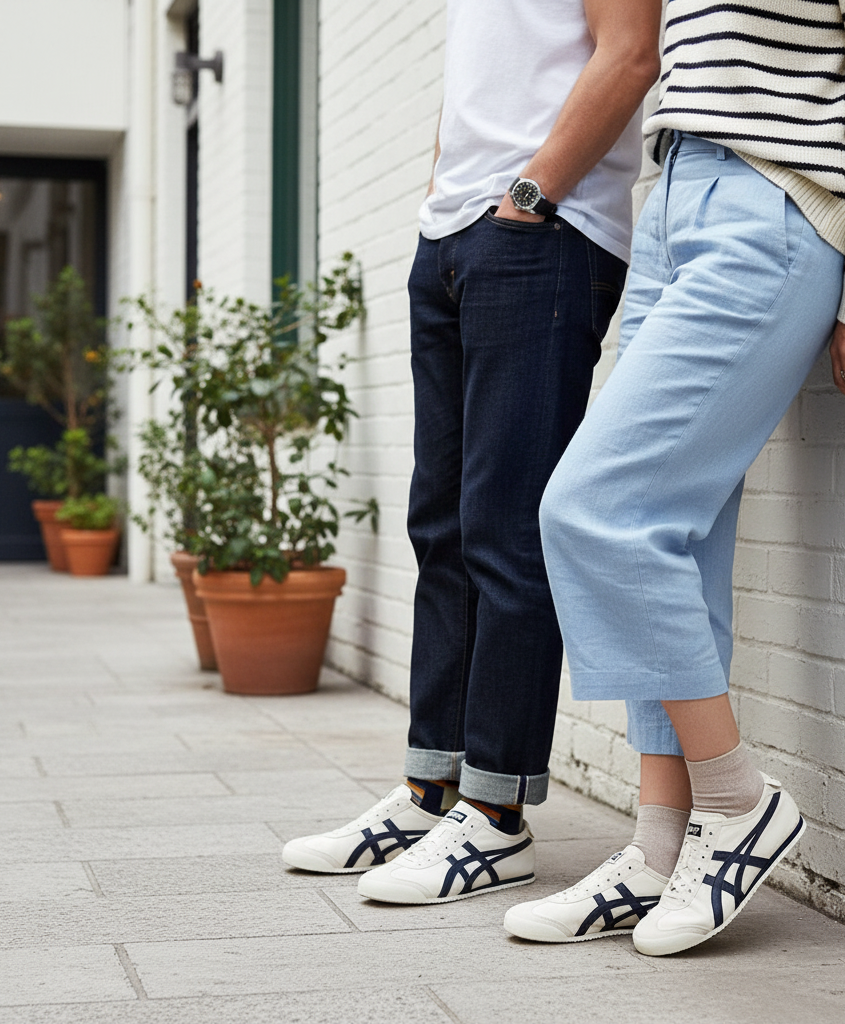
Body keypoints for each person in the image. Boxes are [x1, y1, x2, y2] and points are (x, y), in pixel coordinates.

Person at [504, 0, 845, 952]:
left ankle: (738, 803)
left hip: (772, 204)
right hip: (671, 200)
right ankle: (660, 846)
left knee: (593, 510)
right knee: (671, 541)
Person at [281, 0, 663, 903]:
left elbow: (630, 54)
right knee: (442, 528)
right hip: (454, 238)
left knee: (506, 529)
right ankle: (431, 793)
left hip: (543, 237)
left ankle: (496, 814)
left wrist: (528, 198)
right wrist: (441, 208)